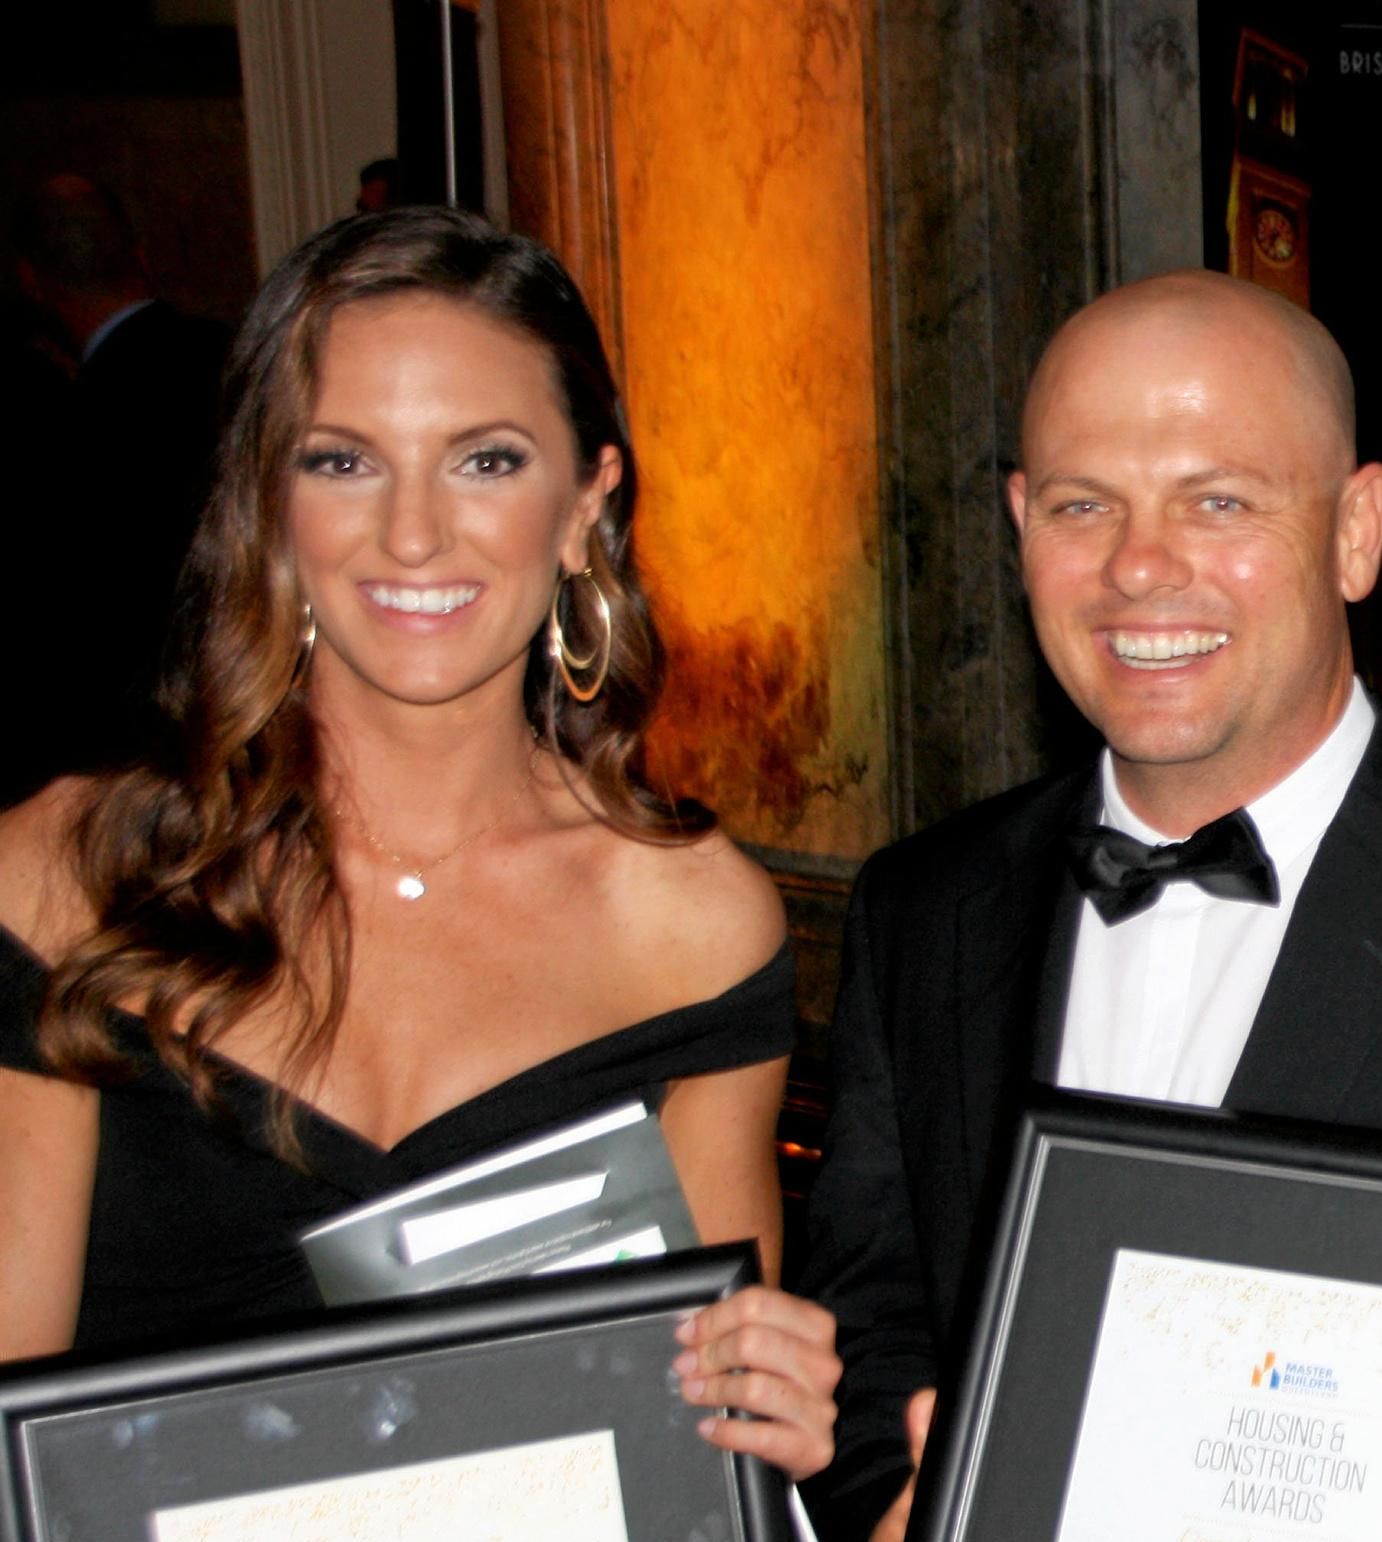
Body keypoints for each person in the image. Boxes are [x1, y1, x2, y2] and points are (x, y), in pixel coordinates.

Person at [791, 269, 1382, 1538]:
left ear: (1356, 530)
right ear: (1019, 524)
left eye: (1216, 500)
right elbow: (870, 1338)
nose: (1138, 567)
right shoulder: (924, 906)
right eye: (1082, 506)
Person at [0, 207, 842, 1483]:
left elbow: (686, 1467)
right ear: (267, 504)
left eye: (486, 461)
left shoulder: (691, 927)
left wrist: (763, 1425)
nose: (410, 535)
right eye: (342, 462)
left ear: (584, 505)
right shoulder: (65, 876)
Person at [11, 173, 231, 784]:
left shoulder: (60, 428)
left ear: (31, 281)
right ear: (139, 254)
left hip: (119, 761)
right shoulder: (240, 358)